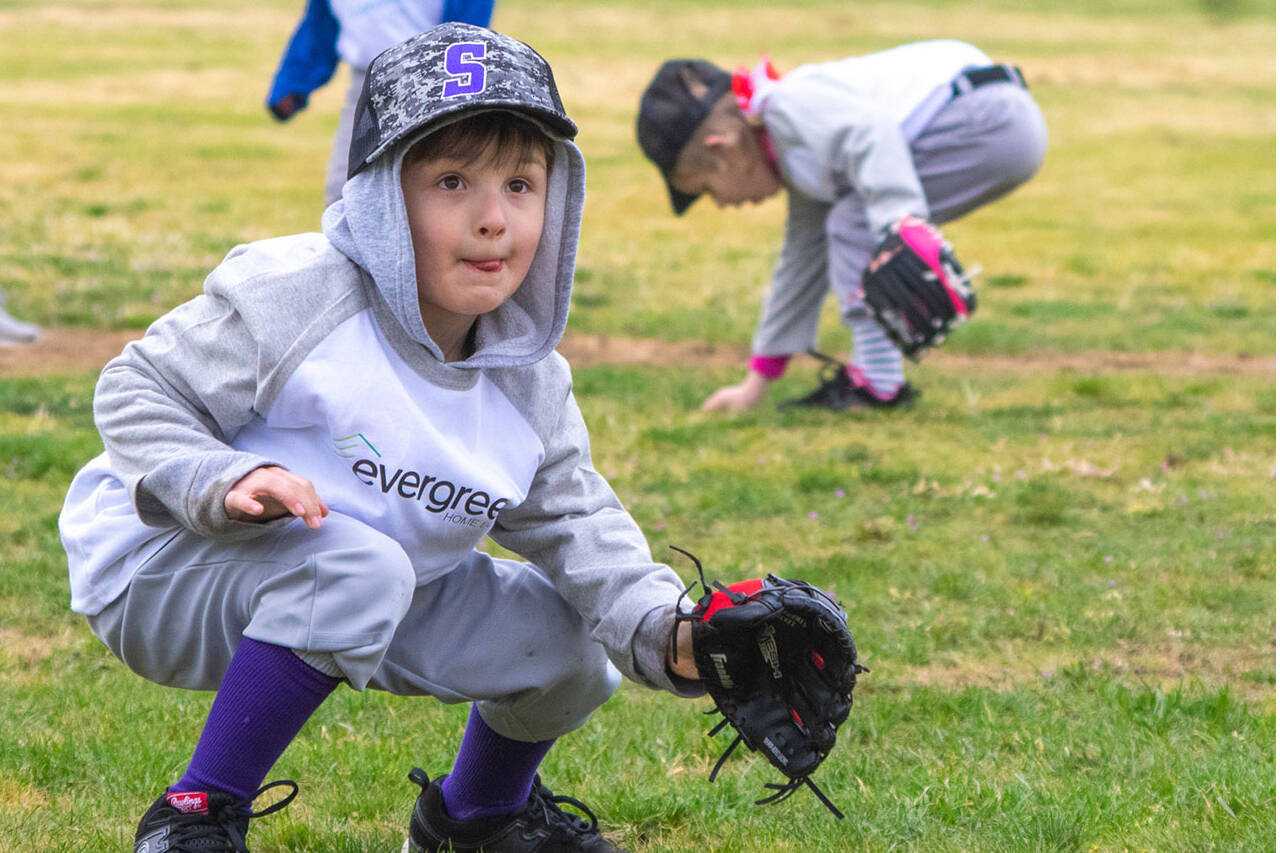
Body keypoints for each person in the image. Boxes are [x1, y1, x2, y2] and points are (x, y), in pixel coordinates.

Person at [60, 24, 704, 853]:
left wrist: (671, 630)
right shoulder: (300, 294)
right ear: (381, 194)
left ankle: (476, 821)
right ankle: (194, 816)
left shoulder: (527, 378)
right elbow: (136, 389)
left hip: (357, 583)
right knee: (358, 565)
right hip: (160, 566)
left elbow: (582, 529)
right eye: (450, 181)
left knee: (574, 639)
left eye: (520, 183)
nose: (492, 220)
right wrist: (222, 477)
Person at [636, 41, 1048, 412]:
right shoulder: (798, 159)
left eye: (708, 189)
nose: (723, 204)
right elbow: (801, 262)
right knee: (846, 221)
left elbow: (869, 134)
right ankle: (877, 381)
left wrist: (901, 225)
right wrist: (755, 384)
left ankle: (876, 387)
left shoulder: (790, 103)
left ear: (721, 149)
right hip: (997, 120)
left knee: (853, 222)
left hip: (988, 117)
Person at [266, 0, 496, 206]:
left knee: (435, 174)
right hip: (366, 85)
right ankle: (351, 252)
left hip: (433, 75)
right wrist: (292, 83)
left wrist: (457, 68)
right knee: (346, 185)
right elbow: (320, 26)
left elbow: (470, 16)